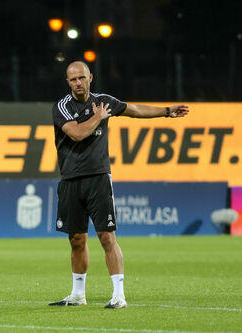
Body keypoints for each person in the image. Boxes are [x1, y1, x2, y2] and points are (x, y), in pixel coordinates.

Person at [49, 61, 189, 308]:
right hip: (70, 179)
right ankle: (78, 295)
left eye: (82, 77)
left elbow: (134, 110)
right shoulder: (62, 107)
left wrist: (166, 111)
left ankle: (118, 295)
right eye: (73, 80)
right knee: (77, 239)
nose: (78, 83)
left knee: (106, 236)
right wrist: (98, 117)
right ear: (67, 81)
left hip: (98, 177)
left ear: (91, 77)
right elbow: (78, 133)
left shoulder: (104, 101)